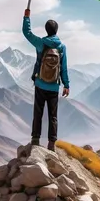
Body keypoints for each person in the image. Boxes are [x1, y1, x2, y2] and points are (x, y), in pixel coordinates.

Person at [22, 8, 70, 151]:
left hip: (40, 83)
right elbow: (64, 67)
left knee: (38, 112)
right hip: (54, 86)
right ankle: (51, 144)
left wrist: (26, 18)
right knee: (53, 115)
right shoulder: (61, 47)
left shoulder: (41, 43)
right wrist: (66, 85)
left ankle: (35, 140)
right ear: (56, 31)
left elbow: (27, 33)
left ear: (46, 30)